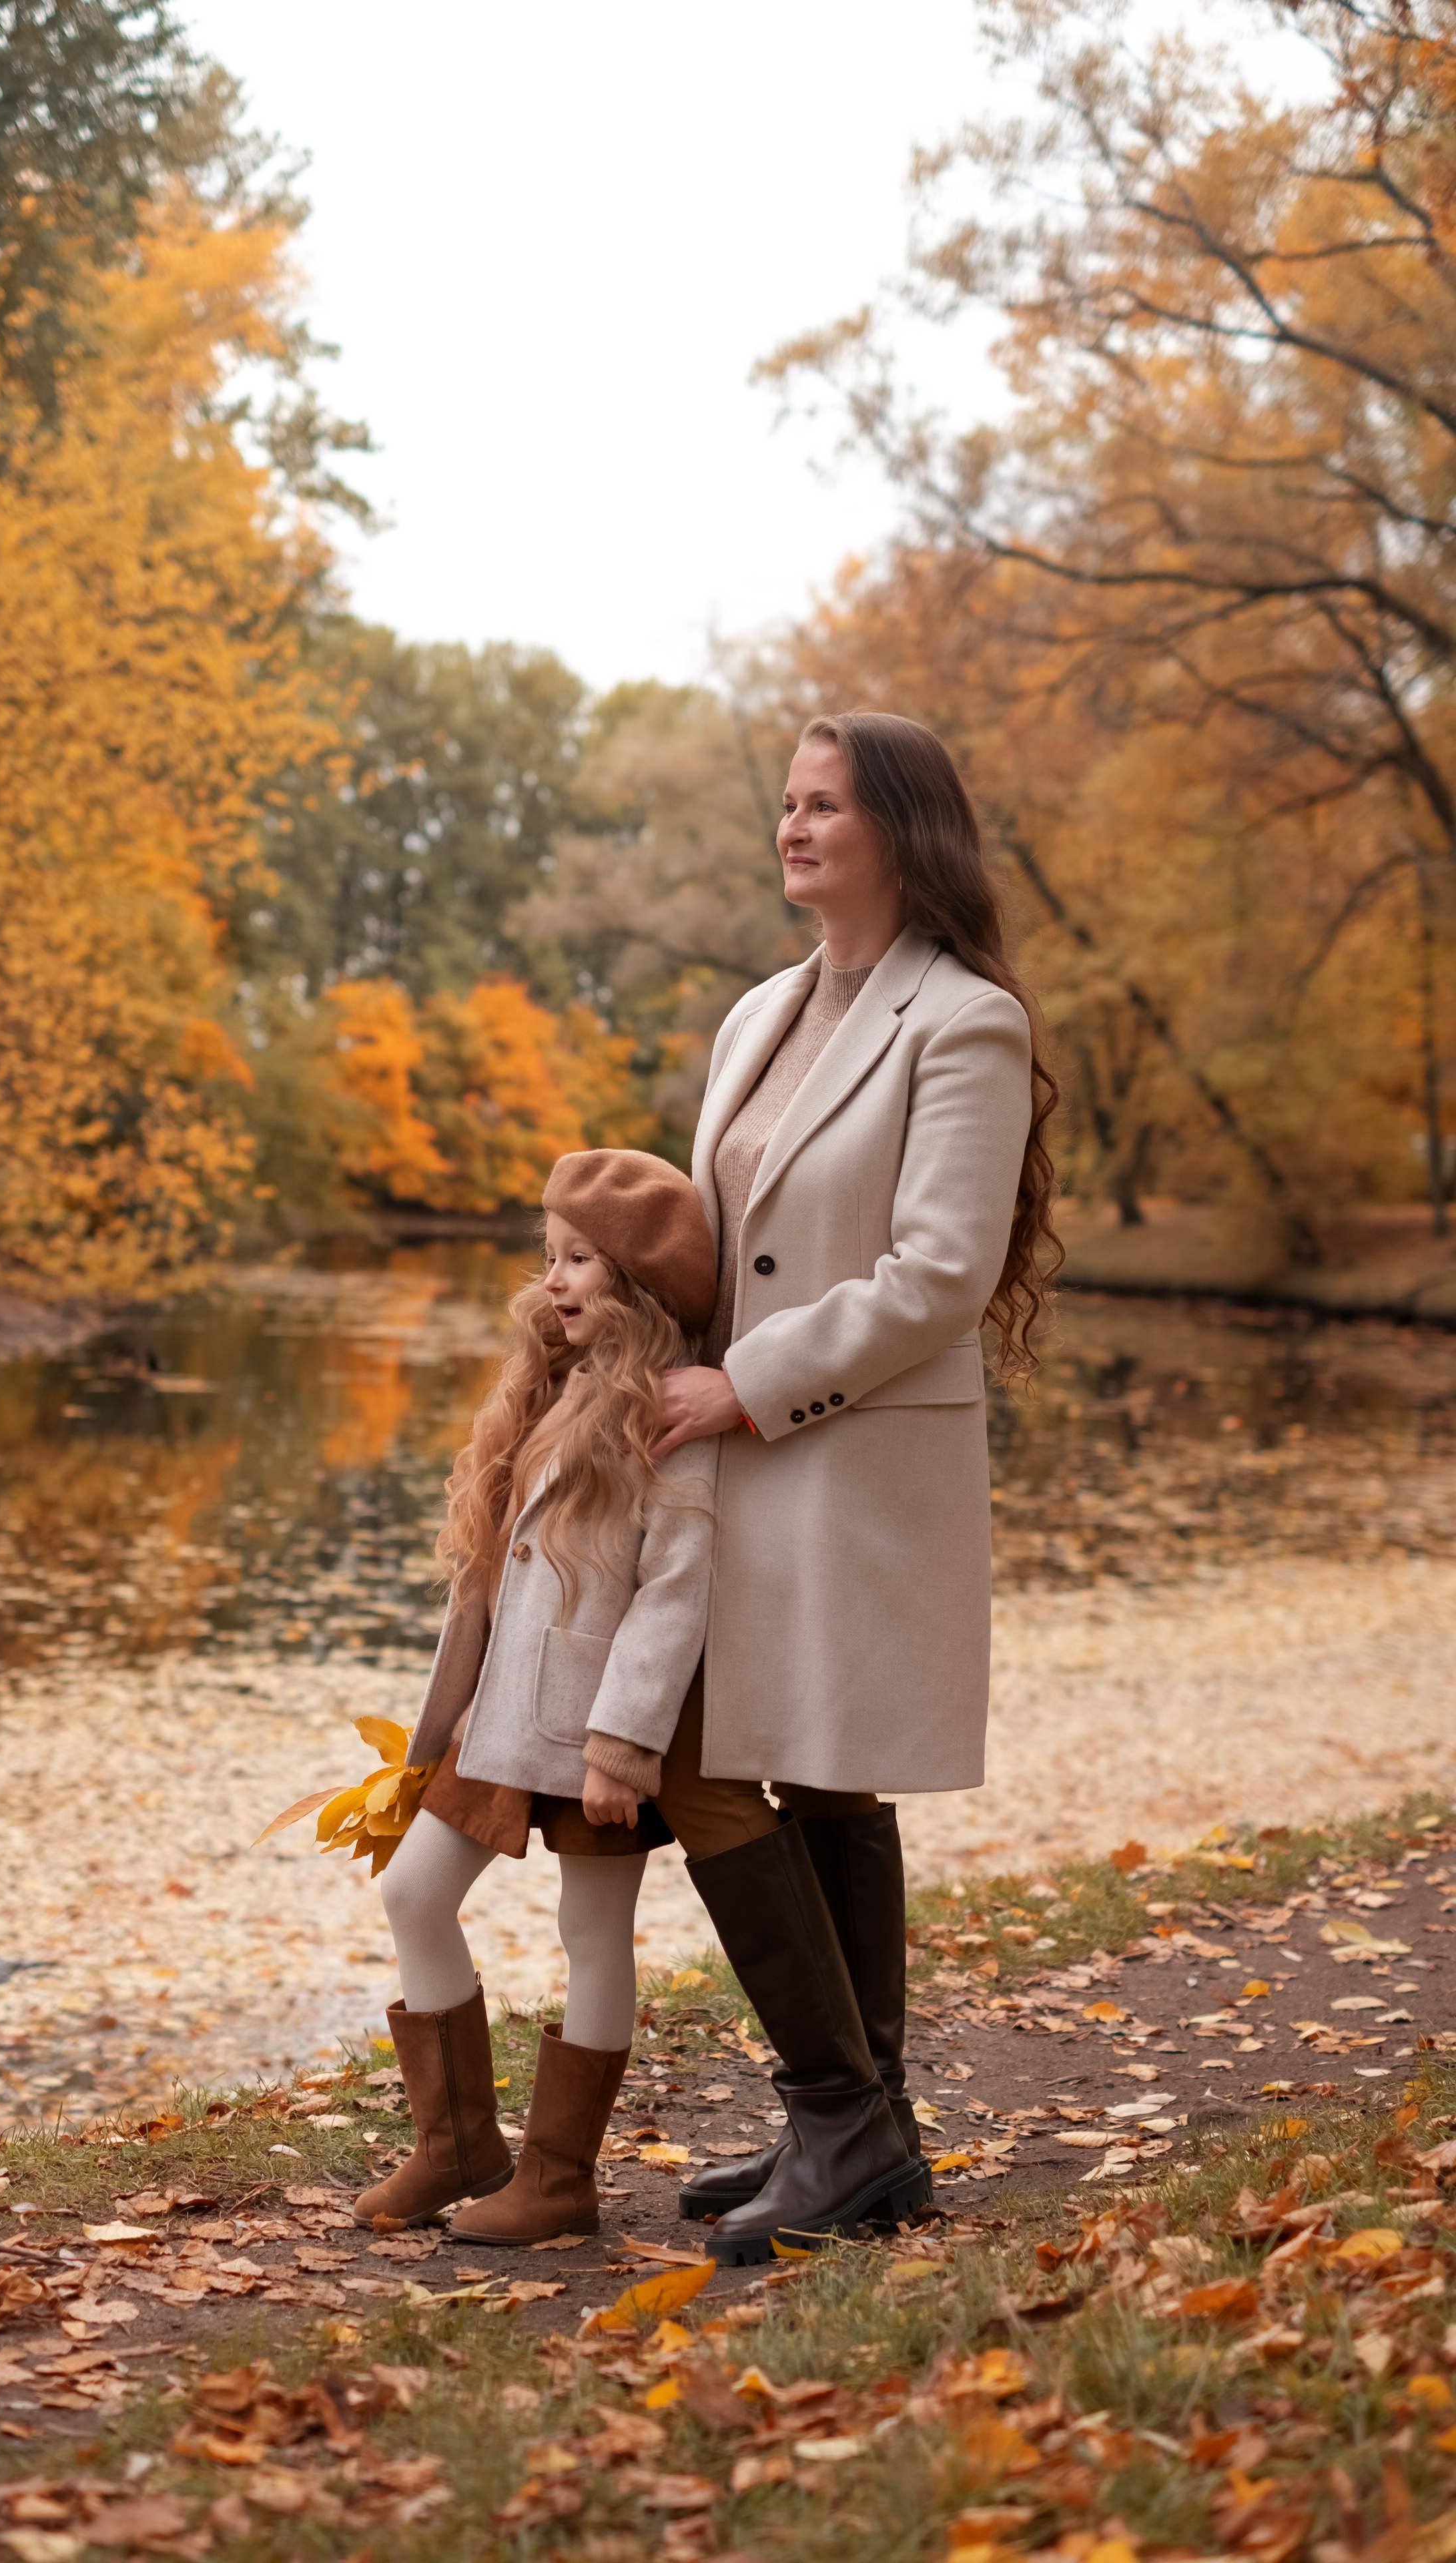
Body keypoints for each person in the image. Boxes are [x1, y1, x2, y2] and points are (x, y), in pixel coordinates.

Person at [625, 710, 1062, 2266]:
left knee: (751, 1763)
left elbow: (939, 1273)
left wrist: (746, 1383)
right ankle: (857, 2129)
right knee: (787, 1767)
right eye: (787, 802)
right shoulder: (757, 1013)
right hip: (731, 1449)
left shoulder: (963, 1024)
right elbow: (720, 1238)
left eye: (825, 804)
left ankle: (846, 2121)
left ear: (899, 830)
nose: (794, 826)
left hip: (849, 1451)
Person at [353, 1148, 719, 2246]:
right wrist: (443, 1726)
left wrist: (623, 1746)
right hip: (500, 1720)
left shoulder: (666, 1415)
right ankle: (457, 2147)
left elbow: (675, 1593)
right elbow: (490, 1585)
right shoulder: (543, 1389)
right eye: (551, 1256)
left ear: (639, 1286)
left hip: (594, 1730)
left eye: (582, 1261)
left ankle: (561, 2177)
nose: (554, 1280)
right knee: (415, 1892)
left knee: (592, 1930)